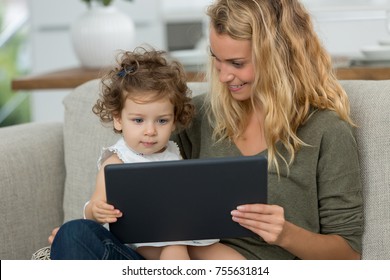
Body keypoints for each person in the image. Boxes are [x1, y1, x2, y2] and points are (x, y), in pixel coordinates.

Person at [50, 0, 363, 260]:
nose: (224, 76)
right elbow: (140, 169)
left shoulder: (326, 130)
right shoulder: (198, 114)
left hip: (252, 269)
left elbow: (349, 255)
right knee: (75, 235)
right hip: (173, 263)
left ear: (278, 59)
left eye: (237, 63)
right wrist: (90, 221)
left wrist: (285, 234)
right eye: (216, 59)